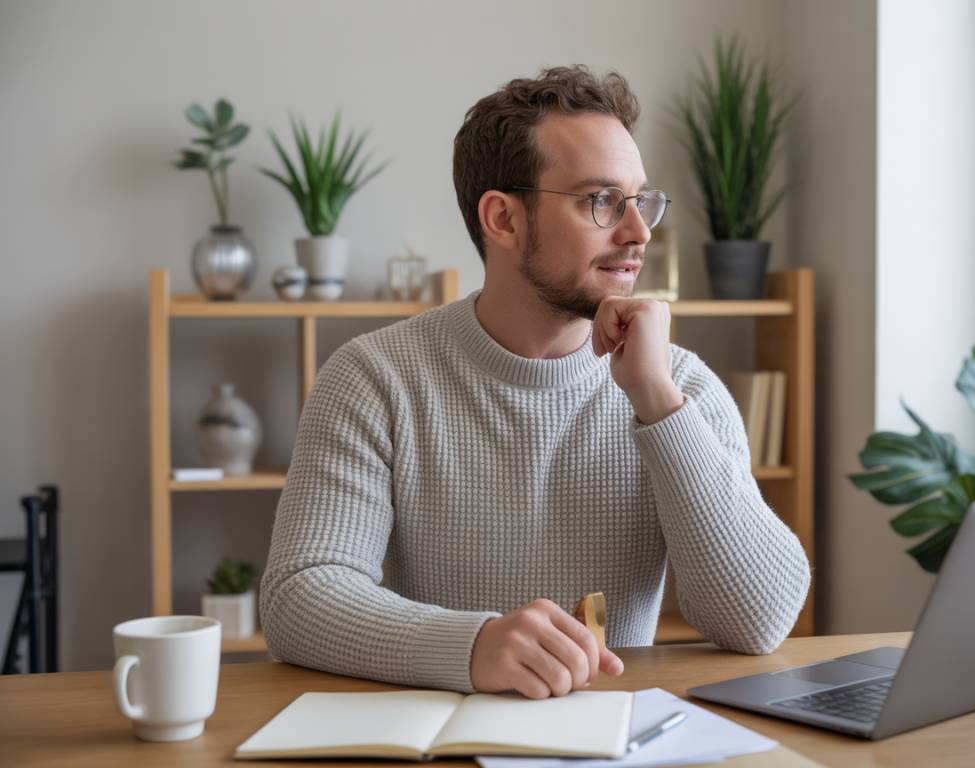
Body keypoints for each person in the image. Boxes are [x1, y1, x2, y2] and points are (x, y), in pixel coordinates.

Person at [260, 65, 811, 700]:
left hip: (616, 733)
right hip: (443, 734)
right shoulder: (375, 378)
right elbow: (299, 597)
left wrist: (658, 402)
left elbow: (758, 622)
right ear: (503, 219)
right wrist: (472, 646)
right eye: (601, 201)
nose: (639, 232)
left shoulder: (680, 386)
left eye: (641, 202)